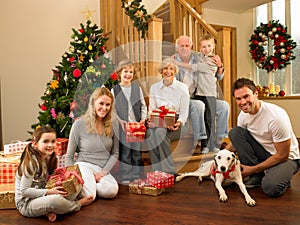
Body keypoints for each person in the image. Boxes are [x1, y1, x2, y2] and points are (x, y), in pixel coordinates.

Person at [225, 78, 300, 197]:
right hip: (264, 151)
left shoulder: (276, 118)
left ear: (256, 94)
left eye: (246, 96)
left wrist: (253, 169)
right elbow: (237, 141)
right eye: (238, 99)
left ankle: (278, 176)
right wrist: (219, 157)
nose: (243, 102)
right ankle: (257, 177)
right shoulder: (243, 116)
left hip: (287, 158)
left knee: (270, 188)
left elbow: (282, 155)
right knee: (235, 132)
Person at [15, 126, 93, 222]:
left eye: (53, 141)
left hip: (43, 195)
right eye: (45, 141)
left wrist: (62, 181)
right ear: (35, 144)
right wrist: (49, 192)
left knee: (77, 183)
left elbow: (49, 181)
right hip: (27, 203)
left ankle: (48, 210)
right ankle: (77, 205)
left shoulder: (49, 158)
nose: (50, 145)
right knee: (55, 200)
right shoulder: (32, 163)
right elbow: (24, 191)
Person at [174, 35, 229, 154]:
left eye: (209, 46)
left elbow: (218, 76)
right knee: (205, 114)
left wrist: (220, 66)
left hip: (209, 93)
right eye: (204, 46)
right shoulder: (197, 56)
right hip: (195, 95)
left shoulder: (211, 61)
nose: (207, 49)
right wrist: (175, 58)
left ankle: (218, 140)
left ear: (214, 46)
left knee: (219, 111)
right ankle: (204, 143)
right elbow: (187, 50)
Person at [65, 87, 119, 201]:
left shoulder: (114, 124)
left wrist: (102, 174)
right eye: (101, 103)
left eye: (108, 105)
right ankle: (87, 187)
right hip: (84, 165)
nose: (104, 108)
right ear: (93, 103)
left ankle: (85, 186)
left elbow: (115, 153)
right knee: (91, 196)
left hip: (101, 169)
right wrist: (72, 174)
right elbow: (69, 155)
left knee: (112, 190)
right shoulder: (79, 124)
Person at [146, 57, 190, 175]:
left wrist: (178, 122)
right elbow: (152, 110)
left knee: (160, 132)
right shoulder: (154, 88)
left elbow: (184, 113)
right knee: (150, 133)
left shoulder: (182, 88)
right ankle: (157, 171)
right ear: (161, 70)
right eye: (165, 68)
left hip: (179, 124)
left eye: (171, 68)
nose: (168, 71)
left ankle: (168, 171)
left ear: (175, 71)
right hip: (158, 121)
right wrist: (151, 120)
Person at [111, 60, 147, 184]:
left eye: (131, 72)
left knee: (136, 152)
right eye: (125, 71)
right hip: (124, 127)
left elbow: (143, 105)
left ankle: (136, 175)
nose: (128, 74)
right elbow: (113, 110)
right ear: (120, 73)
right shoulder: (115, 90)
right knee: (125, 152)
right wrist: (120, 121)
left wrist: (143, 119)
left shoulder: (137, 88)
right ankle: (126, 176)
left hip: (136, 126)